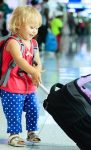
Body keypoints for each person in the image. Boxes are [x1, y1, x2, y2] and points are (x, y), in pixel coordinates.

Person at [0, 5, 42, 147]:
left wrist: (37, 71)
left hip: (28, 86)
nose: (34, 31)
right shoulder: (12, 42)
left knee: (33, 109)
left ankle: (31, 132)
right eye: (31, 27)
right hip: (11, 86)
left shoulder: (34, 43)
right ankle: (14, 135)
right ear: (18, 25)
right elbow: (19, 60)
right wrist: (33, 71)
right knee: (14, 112)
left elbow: (37, 61)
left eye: (36, 27)